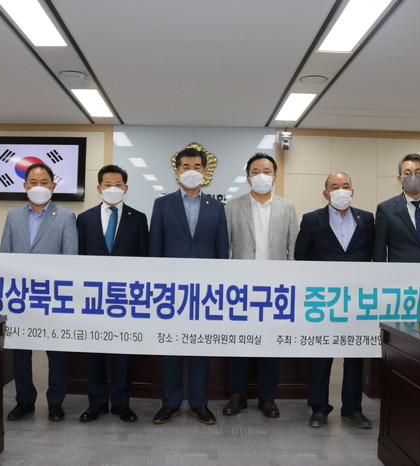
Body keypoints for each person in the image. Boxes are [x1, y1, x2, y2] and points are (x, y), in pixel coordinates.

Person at [149, 147, 229, 425]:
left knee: (200, 349)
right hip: (170, 291)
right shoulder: (162, 204)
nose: (191, 171)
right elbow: (155, 248)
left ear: (204, 172)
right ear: (177, 172)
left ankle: (199, 403)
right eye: (185, 166)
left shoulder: (217, 207)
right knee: (170, 348)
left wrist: (218, 288)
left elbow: (222, 251)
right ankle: (170, 403)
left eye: (197, 166)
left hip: (204, 292)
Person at [294, 172, 374, 429]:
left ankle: (352, 409)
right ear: (325, 193)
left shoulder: (367, 219)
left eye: (346, 185)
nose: (341, 190)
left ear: (353, 190)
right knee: (321, 354)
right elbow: (300, 256)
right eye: (335, 186)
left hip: (357, 298)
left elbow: (372, 256)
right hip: (323, 299)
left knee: (355, 356)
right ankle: (319, 408)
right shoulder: (311, 219)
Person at [222, 153, 298, 419]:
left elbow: (293, 248)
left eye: (266, 171)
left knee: (271, 344)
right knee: (239, 343)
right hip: (240, 288)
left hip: (275, 288)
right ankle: (237, 395)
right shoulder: (233, 206)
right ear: (248, 177)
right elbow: (226, 247)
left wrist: (291, 284)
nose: (261, 176)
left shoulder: (287, 207)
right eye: (255, 171)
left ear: (275, 176)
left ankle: (268, 398)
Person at [1, 163, 78, 422]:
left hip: (52, 296)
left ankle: (55, 402)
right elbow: (4, 256)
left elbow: (71, 258)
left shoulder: (66, 216)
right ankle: (25, 401)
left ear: (53, 186)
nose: (38, 187)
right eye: (33, 182)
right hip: (20, 296)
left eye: (44, 182)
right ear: (25, 186)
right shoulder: (13, 216)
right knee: (21, 352)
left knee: (56, 352)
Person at [76, 165, 148, 424]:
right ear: (99, 188)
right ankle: (96, 402)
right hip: (93, 297)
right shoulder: (84, 219)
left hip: (125, 297)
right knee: (94, 350)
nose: (113, 189)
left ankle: (121, 402)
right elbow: (77, 259)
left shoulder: (138, 218)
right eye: (107, 185)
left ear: (126, 188)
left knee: (122, 351)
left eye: (118, 184)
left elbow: (144, 259)